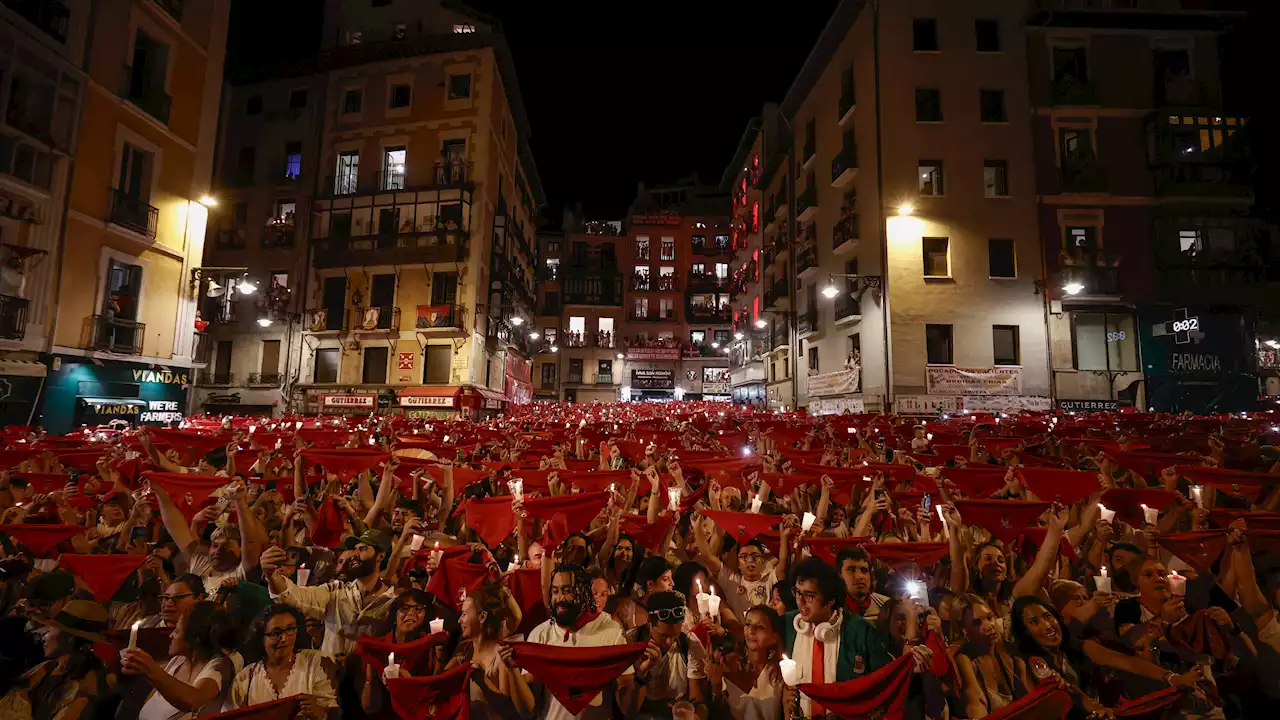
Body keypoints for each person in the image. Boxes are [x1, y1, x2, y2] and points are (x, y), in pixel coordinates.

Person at [779, 557, 890, 717]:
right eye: (797, 592)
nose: (800, 602)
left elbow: (883, 684)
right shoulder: (787, 625)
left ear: (830, 600)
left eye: (809, 595)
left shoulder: (860, 631)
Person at [260, 529, 398, 656]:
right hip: (329, 677)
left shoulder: (392, 602)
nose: (354, 555)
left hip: (367, 679)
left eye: (363, 549)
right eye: (354, 549)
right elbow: (294, 596)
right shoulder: (336, 591)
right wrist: (272, 575)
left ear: (380, 556)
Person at [525, 563, 632, 720]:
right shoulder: (540, 634)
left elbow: (626, 695)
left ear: (584, 593)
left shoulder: (611, 631)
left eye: (568, 591)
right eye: (555, 591)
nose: (560, 598)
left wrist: (641, 677)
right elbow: (527, 703)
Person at [122, 601, 238, 720]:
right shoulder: (177, 661)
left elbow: (194, 701)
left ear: (195, 639)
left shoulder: (218, 666)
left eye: (177, 631)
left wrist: (151, 669)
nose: (171, 635)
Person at [0, 599, 115, 720]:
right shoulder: (48, 666)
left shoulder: (84, 688)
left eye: (51, 630)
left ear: (70, 638)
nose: (44, 636)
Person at [225, 604, 336, 718]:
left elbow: (336, 711)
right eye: (275, 633)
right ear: (261, 638)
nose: (284, 638)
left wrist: (321, 714)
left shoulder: (317, 662)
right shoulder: (247, 677)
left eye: (290, 629)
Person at [440, 582, 533, 717]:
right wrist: (440, 655)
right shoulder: (464, 648)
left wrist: (484, 681)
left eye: (464, 614)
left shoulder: (500, 656)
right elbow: (442, 683)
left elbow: (508, 711)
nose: (460, 620)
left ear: (482, 617)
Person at [629, 591, 707, 717]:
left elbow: (697, 701)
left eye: (674, 636)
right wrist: (642, 672)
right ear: (650, 623)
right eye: (663, 636)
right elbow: (629, 711)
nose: (669, 642)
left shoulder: (689, 644)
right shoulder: (631, 642)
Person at [953, 594, 1031, 718]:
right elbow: (977, 710)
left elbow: (1031, 701)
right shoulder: (965, 660)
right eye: (977, 623)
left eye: (990, 617)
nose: (989, 626)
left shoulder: (1010, 654)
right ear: (964, 631)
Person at [837, 546, 889, 620]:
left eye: (864, 570)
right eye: (851, 570)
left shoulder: (887, 606)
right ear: (840, 575)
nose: (859, 576)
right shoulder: (829, 609)